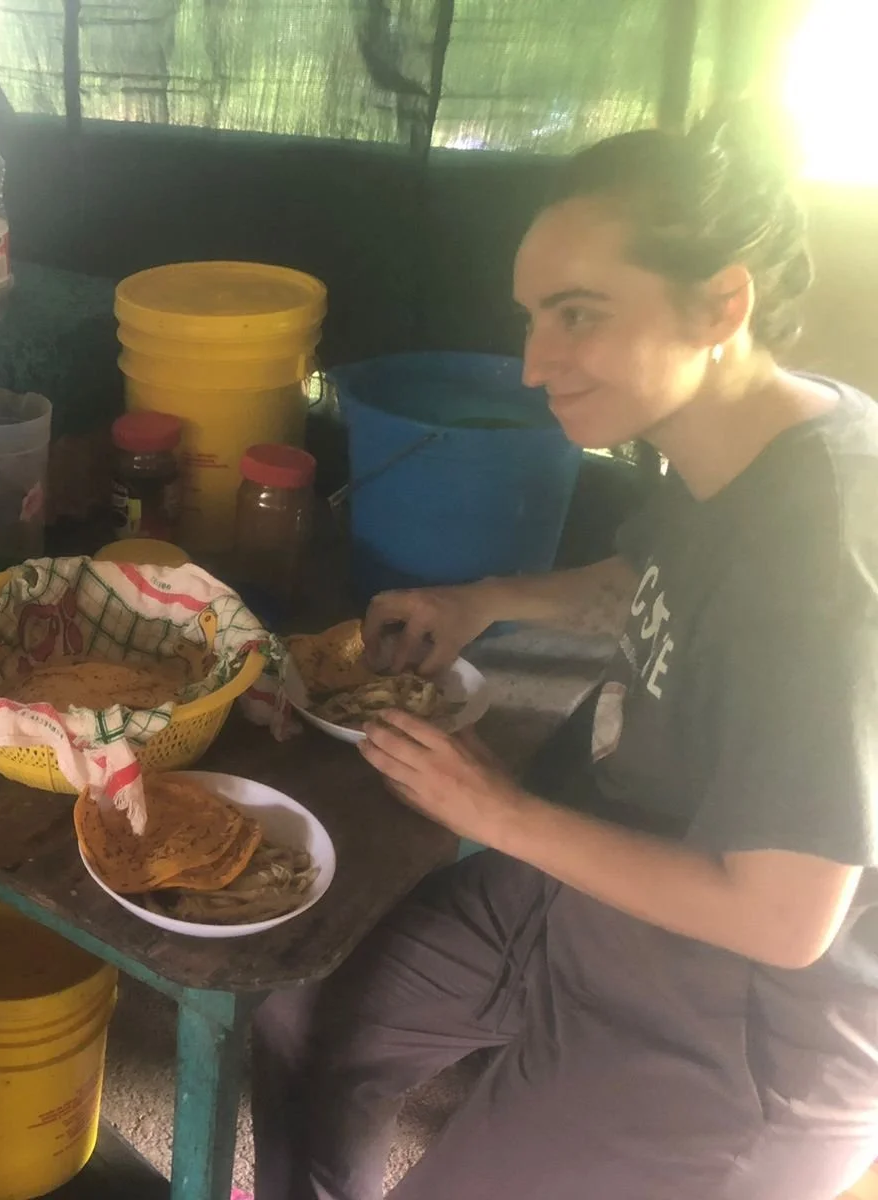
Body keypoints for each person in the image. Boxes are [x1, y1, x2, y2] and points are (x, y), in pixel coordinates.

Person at [252, 108, 878, 1199]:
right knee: (300, 1016)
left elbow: (784, 919)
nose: (537, 364)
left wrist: (495, 812)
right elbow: (651, 590)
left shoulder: (822, 558)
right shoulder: (736, 446)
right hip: (593, 897)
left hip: (731, 1035)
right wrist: (485, 599)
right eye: (534, 316)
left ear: (720, 303)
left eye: (578, 315)